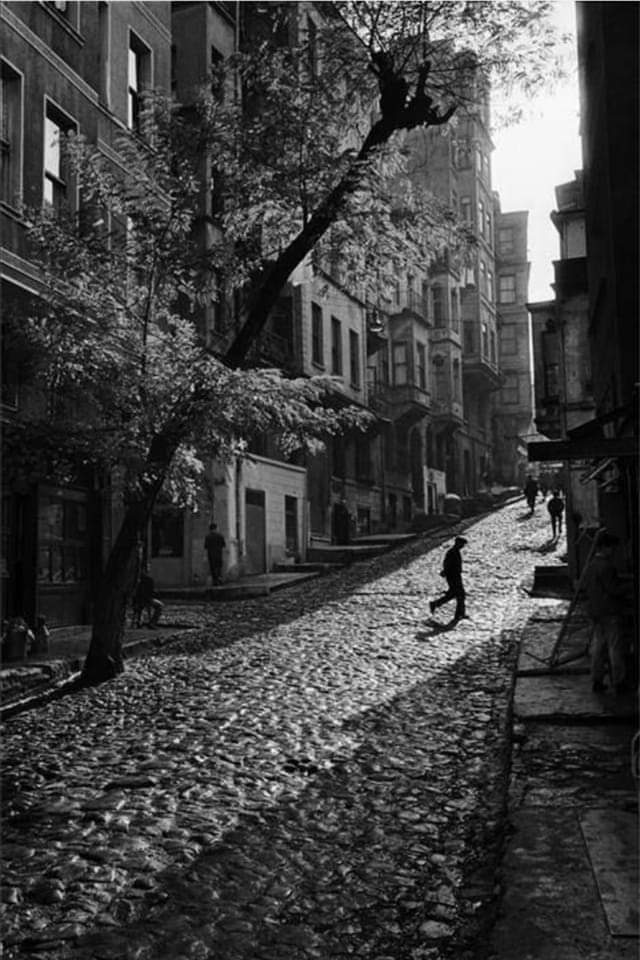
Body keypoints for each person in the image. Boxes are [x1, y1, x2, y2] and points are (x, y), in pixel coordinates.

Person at [583, 532, 632, 694]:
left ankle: (597, 680)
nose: (613, 552)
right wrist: (629, 587)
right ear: (606, 547)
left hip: (595, 611)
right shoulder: (607, 566)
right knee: (615, 647)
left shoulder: (590, 565)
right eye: (612, 548)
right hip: (610, 611)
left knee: (598, 647)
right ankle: (619, 682)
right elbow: (613, 590)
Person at [429, 536, 468, 622]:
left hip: (455, 575)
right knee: (459, 594)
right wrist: (446, 572)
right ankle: (459, 614)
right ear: (458, 543)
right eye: (462, 544)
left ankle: (436, 604)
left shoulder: (455, 551)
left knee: (456, 594)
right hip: (453, 576)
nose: (463, 546)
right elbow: (447, 564)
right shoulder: (452, 552)